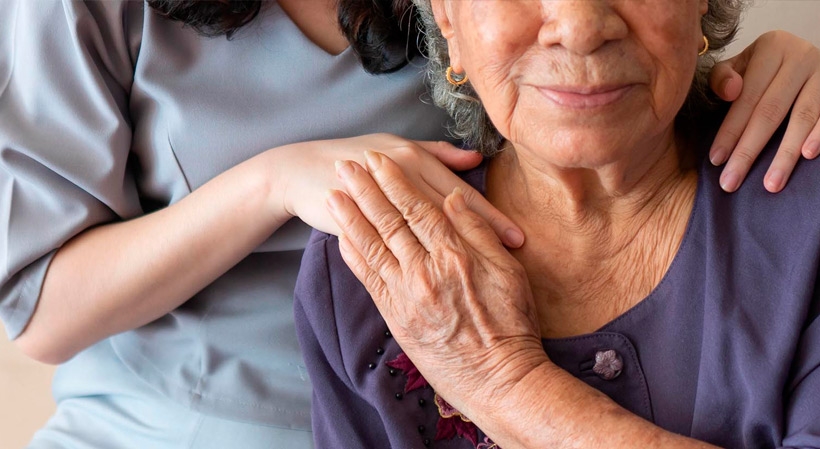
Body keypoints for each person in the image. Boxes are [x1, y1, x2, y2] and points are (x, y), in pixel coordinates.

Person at [0, 0, 816, 447]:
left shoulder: (787, 225)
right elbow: (37, 306)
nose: (575, 22)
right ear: (449, 28)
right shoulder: (345, 274)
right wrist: (274, 182)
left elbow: (621, 75)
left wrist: (787, 58)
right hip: (170, 425)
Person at [294, 1, 820, 448]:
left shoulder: (806, 215)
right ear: (448, 18)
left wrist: (506, 384)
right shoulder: (367, 267)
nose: (581, 28)